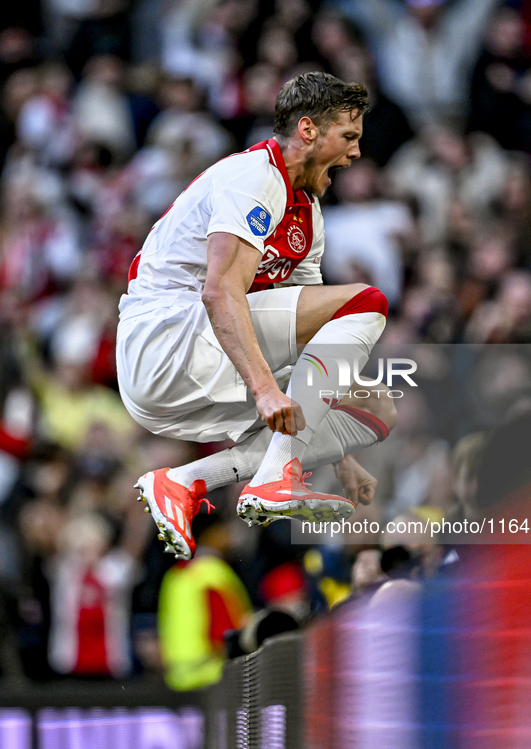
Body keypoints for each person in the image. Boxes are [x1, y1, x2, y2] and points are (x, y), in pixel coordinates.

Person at [116, 72, 397, 560]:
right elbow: (220, 290)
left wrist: (339, 453)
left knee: (375, 409)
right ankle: (274, 478)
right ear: (308, 131)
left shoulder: (307, 214)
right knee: (365, 301)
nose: (354, 154)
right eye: (349, 137)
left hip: (198, 367)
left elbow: (315, 342)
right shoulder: (253, 176)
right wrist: (267, 390)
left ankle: (184, 482)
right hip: (164, 342)